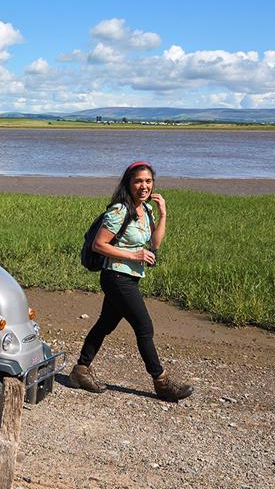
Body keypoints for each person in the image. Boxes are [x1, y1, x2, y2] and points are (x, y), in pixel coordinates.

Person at [69, 160, 193, 402]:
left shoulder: (145, 210)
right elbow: (99, 244)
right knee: (144, 327)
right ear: (128, 183)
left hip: (129, 277)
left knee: (105, 325)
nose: (143, 186)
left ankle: (80, 371)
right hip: (116, 276)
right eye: (138, 181)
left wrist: (163, 213)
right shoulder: (119, 210)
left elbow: (155, 244)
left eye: (148, 181)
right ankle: (161, 381)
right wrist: (134, 255)